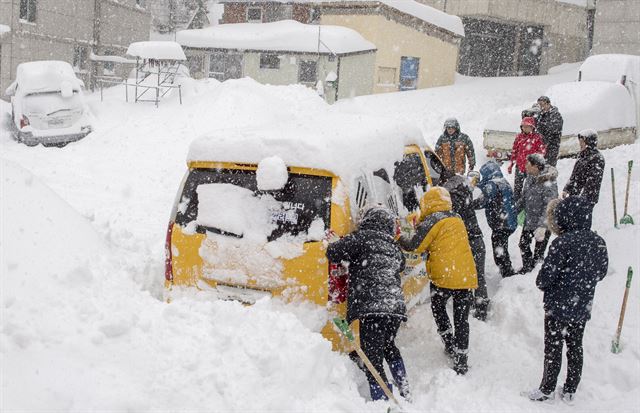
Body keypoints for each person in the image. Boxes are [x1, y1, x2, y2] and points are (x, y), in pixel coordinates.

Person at [525, 196, 608, 403]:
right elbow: (601, 272)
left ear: (565, 217)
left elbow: (545, 278)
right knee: (575, 346)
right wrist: (582, 282)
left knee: (553, 347)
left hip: (557, 306)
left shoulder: (561, 243)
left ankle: (546, 389)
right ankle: (570, 390)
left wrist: (546, 284)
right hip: (582, 305)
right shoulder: (598, 242)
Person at [325, 206, 410, 401]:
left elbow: (333, 252)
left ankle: (382, 402)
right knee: (389, 346)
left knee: (372, 359)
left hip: (373, 308)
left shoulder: (361, 238)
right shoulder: (393, 245)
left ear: (368, 221)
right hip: (394, 306)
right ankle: (404, 387)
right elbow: (401, 264)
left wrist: (336, 242)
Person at [398, 187, 477, 375]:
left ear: (428, 203)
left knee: (439, 309)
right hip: (465, 276)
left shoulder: (433, 220)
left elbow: (414, 246)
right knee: (461, 320)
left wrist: (400, 235)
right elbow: (441, 239)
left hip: (443, 278)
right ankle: (462, 359)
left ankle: (449, 343)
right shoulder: (456, 217)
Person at [443, 174, 490, 321]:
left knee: (465, 274)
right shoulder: (465, 192)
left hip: (463, 242)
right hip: (476, 239)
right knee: (479, 276)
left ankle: (469, 302)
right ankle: (481, 308)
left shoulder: (451, 200)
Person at [473, 161, 518, 278]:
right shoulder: (502, 181)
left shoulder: (492, 184)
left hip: (502, 223)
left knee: (499, 247)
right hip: (509, 221)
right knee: (501, 244)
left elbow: (482, 201)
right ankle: (506, 269)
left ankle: (507, 272)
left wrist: (470, 205)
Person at [516, 154, 558, 274]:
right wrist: (514, 211)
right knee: (523, 245)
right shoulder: (530, 177)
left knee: (539, 253)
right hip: (530, 220)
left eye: (527, 164)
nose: (525, 166)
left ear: (535, 166)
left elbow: (550, 205)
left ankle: (536, 275)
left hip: (543, 223)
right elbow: (524, 197)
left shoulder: (548, 181)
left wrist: (542, 226)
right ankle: (528, 268)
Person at [562, 129, 605, 224]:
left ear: (589, 142)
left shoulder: (597, 158)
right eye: (580, 141)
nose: (580, 144)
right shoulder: (582, 155)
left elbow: (593, 181)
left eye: (582, 142)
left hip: (587, 199)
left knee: (582, 223)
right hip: (576, 196)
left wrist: (582, 198)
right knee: (573, 223)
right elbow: (574, 175)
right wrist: (567, 188)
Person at [508, 117, 546, 203]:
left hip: (531, 168)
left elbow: (542, 152)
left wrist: (536, 164)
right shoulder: (519, 137)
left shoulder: (537, 138)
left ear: (532, 127)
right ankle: (517, 204)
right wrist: (511, 164)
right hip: (520, 167)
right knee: (517, 188)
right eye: (523, 126)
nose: (524, 128)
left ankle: (528, 204)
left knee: (530, 188)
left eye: (527, 126)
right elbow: (514, 151)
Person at [536, 96, 563, 166]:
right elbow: (537, 128)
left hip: (552, 146)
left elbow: (553, 129)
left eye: (542, 105)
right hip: (541, 146)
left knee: (549, 166)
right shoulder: (540, 115)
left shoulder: (555, 115)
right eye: (539, 105)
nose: (541, 107)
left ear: (548, 104)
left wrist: (543, 137)